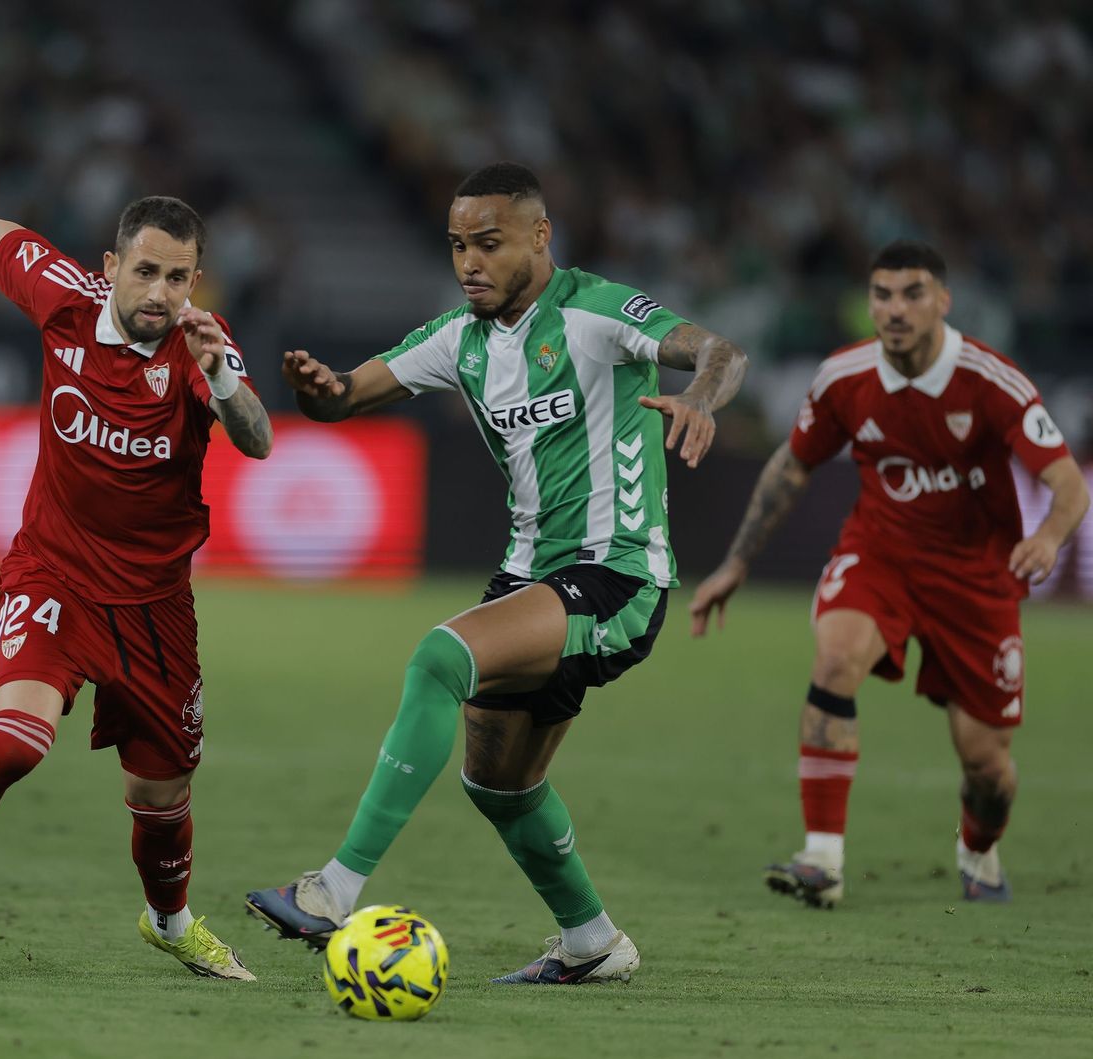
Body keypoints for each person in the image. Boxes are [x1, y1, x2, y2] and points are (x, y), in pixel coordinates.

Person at [244, 162, 747, 983]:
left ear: (540, 238)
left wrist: (703, 398)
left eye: (488, 243)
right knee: (500, 785)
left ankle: (333, 890)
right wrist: (320, 390)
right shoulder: (460, 341)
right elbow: (342, 400)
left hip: (616, 574)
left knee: (439, 658)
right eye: (456, 246)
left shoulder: (595, 311)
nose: (468, 262)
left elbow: (720, 351)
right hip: (527, 580)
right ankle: (593, 944)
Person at [0, 197, 273, 979]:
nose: (159, 293)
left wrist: (223, 375)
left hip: (154, 604)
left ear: (196, 281)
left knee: (161, 792)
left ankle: (169, 922)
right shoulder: (64, 296)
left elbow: (258, 441)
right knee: (16, 743)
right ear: (110, 270)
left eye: (176, 277)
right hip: (53, 571)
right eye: (144, 272)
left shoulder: (204, 348)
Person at [688, 240, 1088, 908]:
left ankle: (978, 847)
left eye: (913, 293)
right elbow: (792, 465)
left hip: (977, 579)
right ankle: (823, 860)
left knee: (987, 765)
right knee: (835, 657)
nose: (895, 309)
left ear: (943, 302)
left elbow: (1067, 482)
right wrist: (736, 562)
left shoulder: (991, 381)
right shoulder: (844, 377)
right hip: (882, 556)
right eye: (882, 294)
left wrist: (1048, 537)